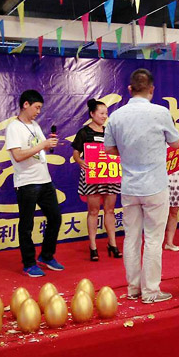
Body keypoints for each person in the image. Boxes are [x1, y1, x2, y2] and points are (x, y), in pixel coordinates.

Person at [104, 69, 179, 304]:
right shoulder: (161, 112)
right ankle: (151, 291)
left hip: (129, 186)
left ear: (129, 89)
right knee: (154, 239)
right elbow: (175, 143)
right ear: (152, 89)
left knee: (131, 238)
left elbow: (109, 149)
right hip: (155, 185)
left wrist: (128, 153)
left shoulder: (116, 116)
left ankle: (133, 288)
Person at [5, 90, 65, 277]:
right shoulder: (14, 127)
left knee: (55, 218)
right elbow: (18, 155)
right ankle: (29, 263)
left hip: (45, 180)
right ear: (26, 105)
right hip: (26, 182)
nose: (38, 111)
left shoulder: (35, 125)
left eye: (40, 108)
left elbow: (38, 151)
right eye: (36, 107)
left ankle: (46, 255)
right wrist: (42, 145)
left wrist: (48, 146)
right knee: (26, 224)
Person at [72, 99, 122, 262]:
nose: (104, 116)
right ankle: (93, 246)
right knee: (93, 211)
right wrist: (80, 161)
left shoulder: (109, 132)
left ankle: (112, 243)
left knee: (110, 210)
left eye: (106, 113)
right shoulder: (84, 132)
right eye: (101, 113)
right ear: (92, 114)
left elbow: (116, 151)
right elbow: (76, 153)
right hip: (92, 176)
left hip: (110, 175)